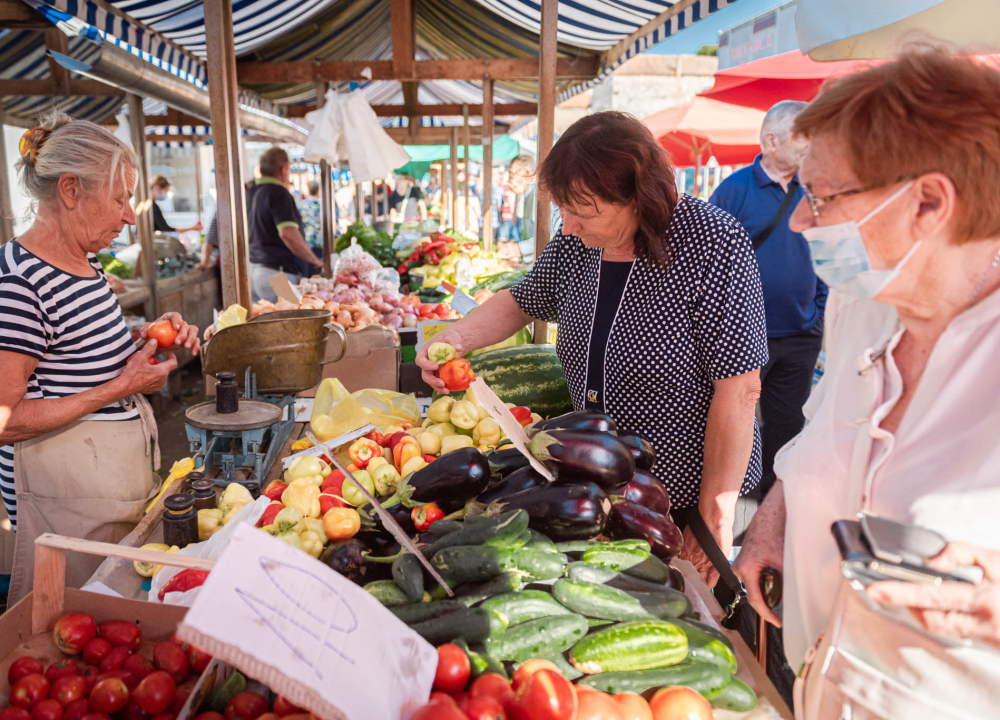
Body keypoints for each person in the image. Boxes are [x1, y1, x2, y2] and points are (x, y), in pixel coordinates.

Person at [734, 51, 1000, 717]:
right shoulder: (862, 303)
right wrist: (773, 518)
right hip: (816, 680)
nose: (799, 221)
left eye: (821, 197)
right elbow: (824, 425)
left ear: (928, 202)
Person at [418, 111, 768, 586]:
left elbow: (740, 389)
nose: (569, 226)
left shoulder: (712, 243)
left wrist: (714, 515)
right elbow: (522, 300)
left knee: (694, 616)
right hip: (604, 486)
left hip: (691, 495)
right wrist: (454, 339)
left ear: (640, 195)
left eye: (584, 212)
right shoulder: (576, 245)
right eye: (565, 210)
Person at [0, 114, 201, 605]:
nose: (129, 216)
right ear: (71, 190)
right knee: (75, 617)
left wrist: (148, 336)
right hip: (64, 499)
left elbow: (73, 350)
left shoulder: (84, 263)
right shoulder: (18, 283)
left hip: (102, 485)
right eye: (120, 199)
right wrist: (122, 387)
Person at [710, 101, 826, 496]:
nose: (810, 145)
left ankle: (772, 504)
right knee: (736, 420)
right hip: (744, 336)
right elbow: (709, 263)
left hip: (800, 334)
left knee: (787, 425)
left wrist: (818, 312)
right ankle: (731, 498)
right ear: (772, 141)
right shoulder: (734, 190)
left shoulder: (811, 189)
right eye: (803, 136)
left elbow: (824, 249)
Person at [247, 148, 322, 302]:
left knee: (263, 316)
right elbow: (288, 233)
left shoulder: (250, 192)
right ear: (283, 169)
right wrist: (315, 261)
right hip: (276, 276)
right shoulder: (279, 193)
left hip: (253, 272)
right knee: (292, 315)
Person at [298, 180, 324, 260]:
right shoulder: (323, 205)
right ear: (318, 190)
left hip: (306, 242)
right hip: (320, 242)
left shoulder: (301, 205)